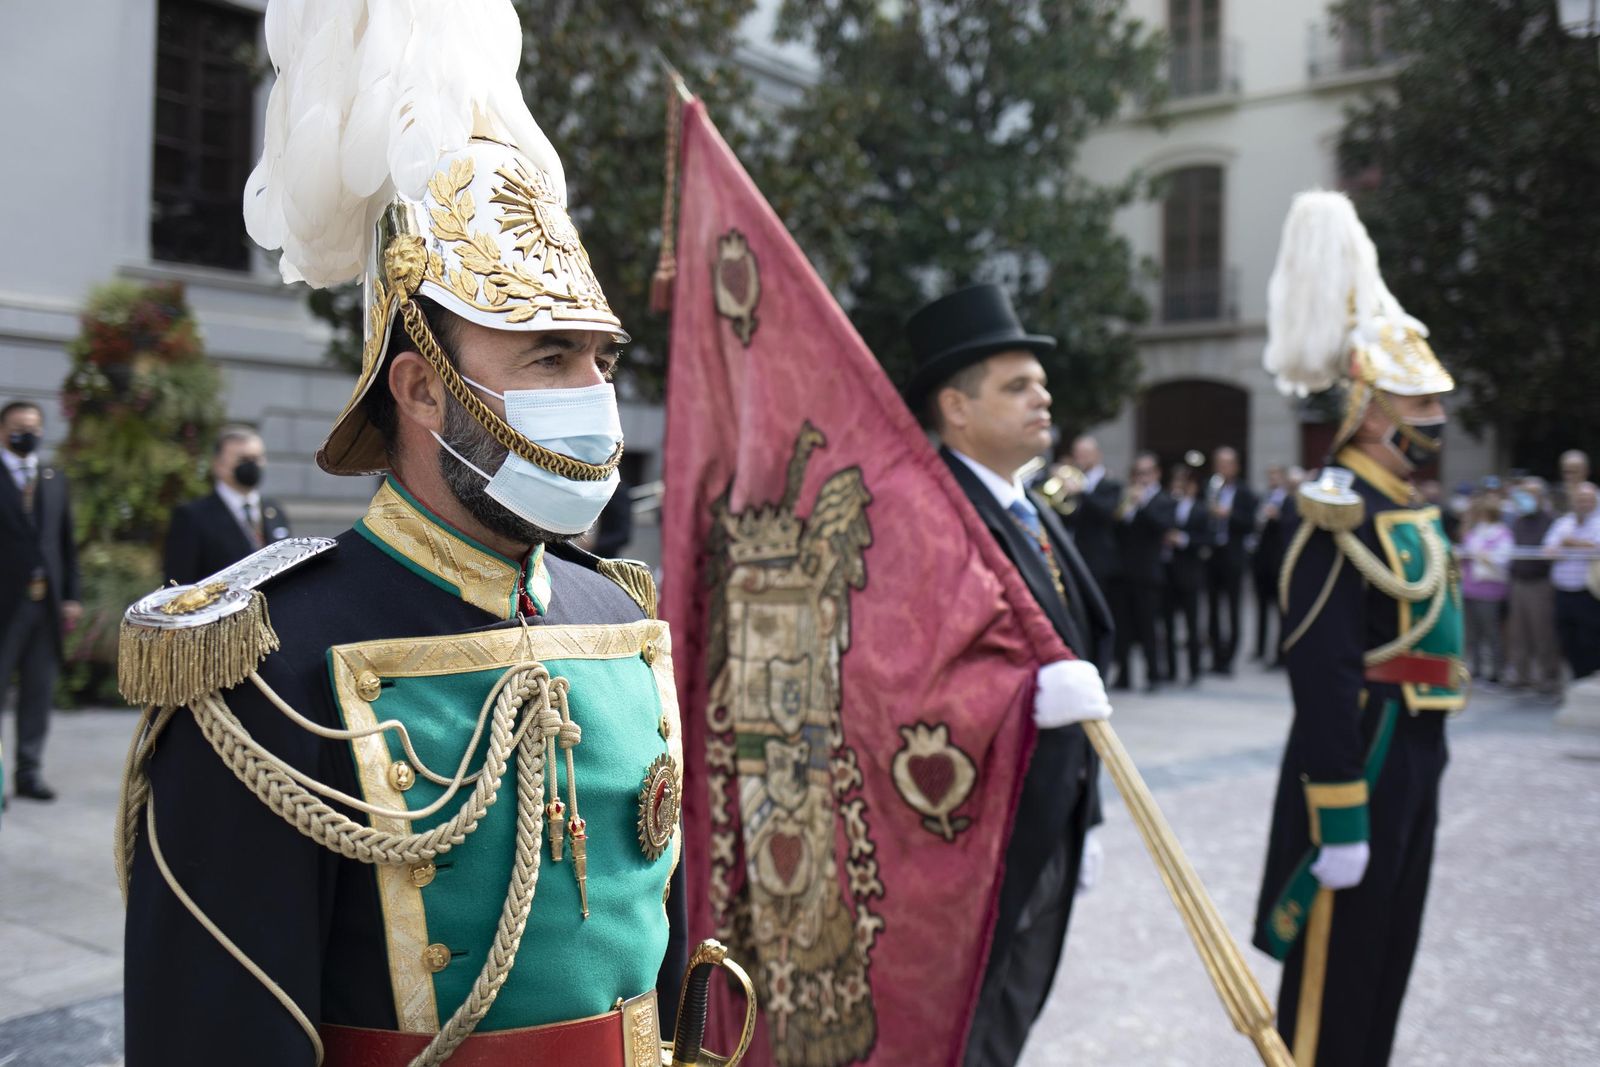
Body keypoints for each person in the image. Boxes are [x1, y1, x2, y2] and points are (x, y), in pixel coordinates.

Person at [118, 5, 690, 1062]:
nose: (595, 396)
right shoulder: (261, 664)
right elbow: (216, 1030)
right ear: (422, 387)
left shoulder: (618, 611)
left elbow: (661, 963)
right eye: (546, 358)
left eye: (598, 358)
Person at [1253, 191, 1467, 1066]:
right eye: (1416, 409)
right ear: (1369, 413)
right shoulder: (1332, 515)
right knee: (1335, 972)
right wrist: (1337, 813)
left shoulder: (1394, 503)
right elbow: (1323, 676)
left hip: (1417, 746)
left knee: (1387, 955)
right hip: (1367, 753)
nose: (1434, 424)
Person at [903, 282, 1114, 1067]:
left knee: (1008, 1026)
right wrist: (1026, 697)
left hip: (1051, 817)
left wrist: (1084, 817)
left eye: (1043, 384)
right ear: (956, 407)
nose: (1042, 398)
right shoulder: (929, 513)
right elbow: (902, 672)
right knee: (961, 1036)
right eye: (1017, 385)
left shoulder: (1030, 506)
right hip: (975, 840)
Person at [0, 400, 81, 802]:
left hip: (45, 606)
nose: (26, 433)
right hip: (4, 606)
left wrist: (71, 597)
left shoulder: (53, 478)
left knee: (37, 692)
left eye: (33, 427)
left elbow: (66, 544)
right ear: (3, 430)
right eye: (18, 427)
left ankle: (28, 773)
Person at [163, 426, 292, 584]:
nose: (252, 465)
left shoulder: (274, 511)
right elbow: (178, 583)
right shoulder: (192, 517)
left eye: (257, 459)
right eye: (243, 460)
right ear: (218, 465)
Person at [1112, 451, 1175, 692]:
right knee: (1124, 626)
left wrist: (1143, 505)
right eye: (1138, 473)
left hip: (1148, 573)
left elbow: (1163, 527)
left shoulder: (1164, 499)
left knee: (1149, 626)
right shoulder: (1127, 499)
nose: (1142, 478)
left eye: (1147, 473)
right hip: (1124, 571)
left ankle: (1154, 675)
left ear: (1157, 474)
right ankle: (1124, 676)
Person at [1506, 477, 1562, 700]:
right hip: (1518, 581)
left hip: (1540, 583)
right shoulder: (1517, 520)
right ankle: (1521, 675)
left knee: (1543, 632)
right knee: (1518, 632)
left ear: (1541, 496)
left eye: (1531, 494)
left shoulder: (1551, 520)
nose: (1527, 498)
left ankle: (1548, 677)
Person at [1061, 435, 1123, 629]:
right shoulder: (1074, 481)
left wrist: (1082, 491)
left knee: (1099, 612)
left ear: (1097, 455)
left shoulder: (1110, 483)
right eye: (1077, 454)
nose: (1080, 458)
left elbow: (1107, 513)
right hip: (1077, 554)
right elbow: (1068, 517)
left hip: (1100, 558)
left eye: (1085, 454)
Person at [1204, 445, 1256, 676]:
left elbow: (1250, 523)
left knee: (1233, 608)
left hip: (1233, 556)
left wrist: (1228, 515)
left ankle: (1229, 657)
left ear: (1235, 467)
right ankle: (1215, 654)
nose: (1222, 468)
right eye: (1219, 463)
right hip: (1213, 554)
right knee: (1212, 607)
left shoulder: (1244, 493)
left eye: (1227, 464)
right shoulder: (1210, 487)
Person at [1543, 481, 1600, 681]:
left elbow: (1596, 547)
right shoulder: (1563, 523)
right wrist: (1570, 545)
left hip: (1588, 594)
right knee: (1567, 640)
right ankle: (1578, 678)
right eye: (1579, 499)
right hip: (1563, 593)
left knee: (1590, 640)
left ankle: (1591, 679)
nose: (1583, 503)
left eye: (1587, 499)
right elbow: (1548, 549)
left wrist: (1570, 543)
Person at [1163, 461, 1212, 686]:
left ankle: (1194, 670)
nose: (1179, 486)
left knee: (1192, 624)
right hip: (1169, 572)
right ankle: (1171, 670)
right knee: (1169, 624)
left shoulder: (1201, 510)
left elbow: (1208, 540)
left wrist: (1183, 539)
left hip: (1190, 573)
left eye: (1184, 482)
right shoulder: (1168, 506)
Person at [1459, 495, 1512, 685]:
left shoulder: (1502, 533)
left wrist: (1482, 555)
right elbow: (1467, 554)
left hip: (1490, 592)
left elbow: (1502, 560)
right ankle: (1476, 669)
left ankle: (1497, 671)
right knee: (1472, 634)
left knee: (1492, 633)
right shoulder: (1474, 532)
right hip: (1470, 589)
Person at [1253, 463, 1293, 666]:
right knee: (1260, 608)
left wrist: (1277, 517)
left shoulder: (1289, 501)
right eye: (1270, 477)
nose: (1273, 481)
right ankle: (1259, 649)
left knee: (1280, 611)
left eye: (1276, 476)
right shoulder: (1264, 498)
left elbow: (1292, 527)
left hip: (1279, 563)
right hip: (1262, 562)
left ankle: (1280, 654)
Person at [1556, 449, 1589, 514]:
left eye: (1574, 472)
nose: (1569, 476)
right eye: (1566, 472)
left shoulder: (1596, 498)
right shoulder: (1555, 498)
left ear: (1586, 472)